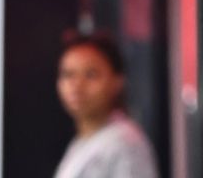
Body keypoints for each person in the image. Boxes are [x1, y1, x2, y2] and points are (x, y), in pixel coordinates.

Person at [54, 32, 158, 178]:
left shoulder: (125, 144)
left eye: (91, 75)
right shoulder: (83, 140)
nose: (77, 86)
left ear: (117, 82)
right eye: (68, 74)